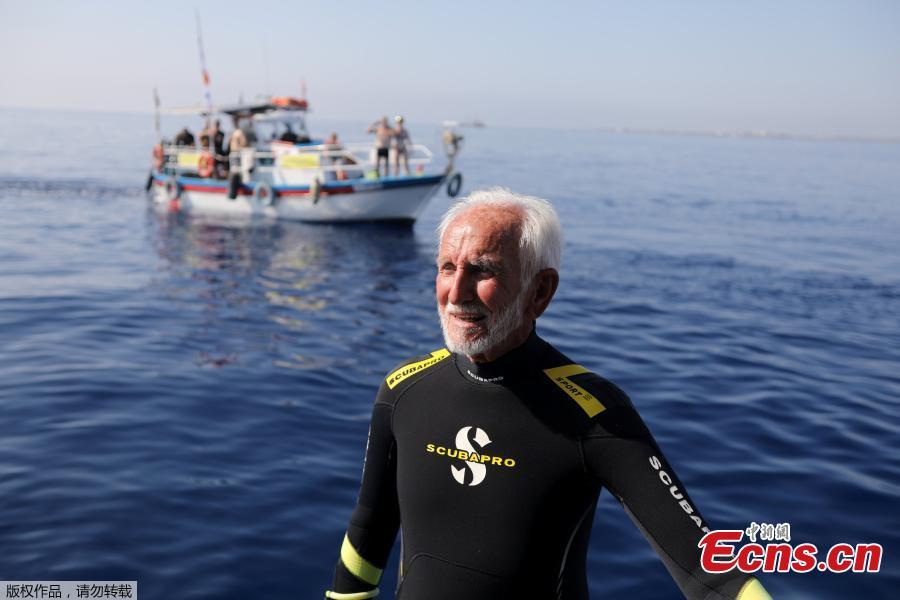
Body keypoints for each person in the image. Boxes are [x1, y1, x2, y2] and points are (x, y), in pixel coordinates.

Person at [325, 188, 773, 600]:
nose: (455, 293)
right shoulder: (404, 389)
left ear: (540, 291)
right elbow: (370, 528)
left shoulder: (594, 414)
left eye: (483, 270)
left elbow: (709, 570)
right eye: (447, 267)